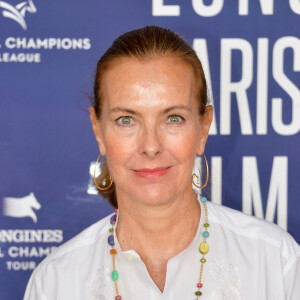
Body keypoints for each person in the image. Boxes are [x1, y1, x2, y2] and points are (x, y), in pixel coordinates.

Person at [24, 25, 300, 300]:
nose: (151, 146)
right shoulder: (55, 283)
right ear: (98, 130)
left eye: (173, 118)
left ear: (203, 128)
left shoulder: (276, 263)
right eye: (126, 120)